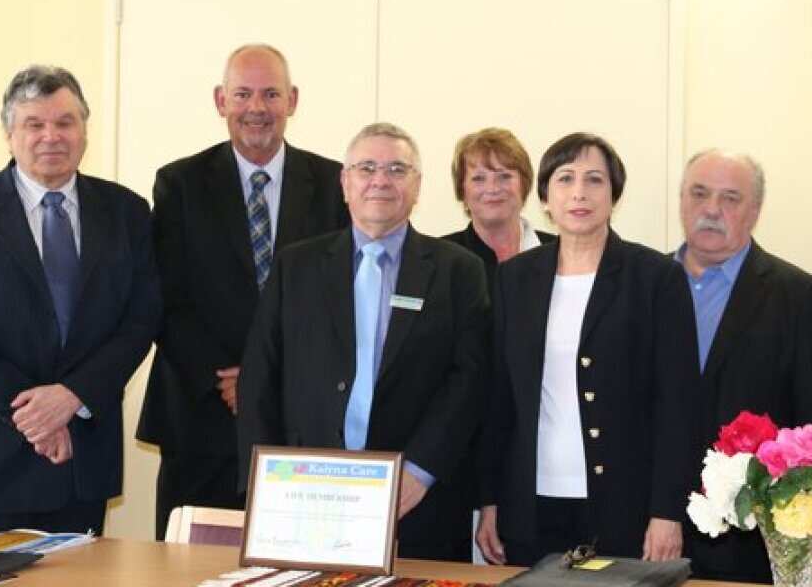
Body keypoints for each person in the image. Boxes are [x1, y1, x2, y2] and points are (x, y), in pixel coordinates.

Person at [0, 65, 160, 541]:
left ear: (84, 131)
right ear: (9, 134)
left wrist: (72, 396)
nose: (52, 136)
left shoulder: (127, 212)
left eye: (65, 122)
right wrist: (32, 416)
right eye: (34, 124)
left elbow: (141, 319)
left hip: (80, 465)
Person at [237, 122, 490, 562]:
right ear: (345, 182)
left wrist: (420, 471)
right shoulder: (296, 266)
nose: (380, 180)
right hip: (306, 494)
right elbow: (260, 376)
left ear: (416, 186)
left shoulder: (458, 271)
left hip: (417, 500)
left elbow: (469, 381)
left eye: (397, 169)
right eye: (366, 167)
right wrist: (264, 484)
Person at [136, 43, 348, 539]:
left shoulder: (334, 182)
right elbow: (165, 298)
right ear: (220, 100)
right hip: (200, 416)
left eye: (271, 94)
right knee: (188, 566)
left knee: (294, 558)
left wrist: (265, 380)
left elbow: (338, 304)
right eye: (243, 94)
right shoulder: (179, 183)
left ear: (292, 100)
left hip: (297, 419)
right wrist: (232, 380)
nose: (257, 108)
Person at [477, 132, 698, 566]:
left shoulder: (655, 277)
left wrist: (667, 511)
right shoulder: (515, 278)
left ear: (614, 194)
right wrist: (490, 501)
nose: (579, 192)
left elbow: (678, 405)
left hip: (624, 507)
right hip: (531, 503)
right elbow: (499, 401)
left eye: (595, 180)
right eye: (565, 179)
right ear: (544, 197)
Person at [675, 149, 812, 582]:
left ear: (755, 211)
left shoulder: (796, 295)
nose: (711, 209)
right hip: (653, 521)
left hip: (747, 526)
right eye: (699, 193)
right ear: (681, 200)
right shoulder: (645, 283)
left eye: (730, 198)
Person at [442, 128, 554, 291]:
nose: (493, 188)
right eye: (479, 178)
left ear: (524, 184)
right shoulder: (440, 259)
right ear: (462, 190)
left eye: (504, 176)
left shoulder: (561, 253)